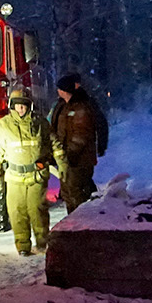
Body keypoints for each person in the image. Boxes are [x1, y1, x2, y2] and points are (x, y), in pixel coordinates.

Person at [0, 90, 55, 255]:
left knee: (37, 211)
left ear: (29, 105)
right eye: (17, 105)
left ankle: (42, 244)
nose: (20, 109)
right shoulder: (2, 126)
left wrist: (61, 164)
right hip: (14, 178)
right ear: (11, 105)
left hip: (36, 177)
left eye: (24, 105)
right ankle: (23, 247)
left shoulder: (41, 124)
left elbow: (53, 144)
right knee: (17, 214)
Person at [52, 75, 102, 214]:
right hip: (67, 160)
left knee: (77, 195)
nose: (57, 91)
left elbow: (81, 136)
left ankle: (82, 225)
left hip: (79, 161)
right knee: (68, 194)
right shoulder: (63, 106)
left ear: (64, 90)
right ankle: (73, 224)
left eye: (59, 88)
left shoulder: (80, 108)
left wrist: (68, 155)